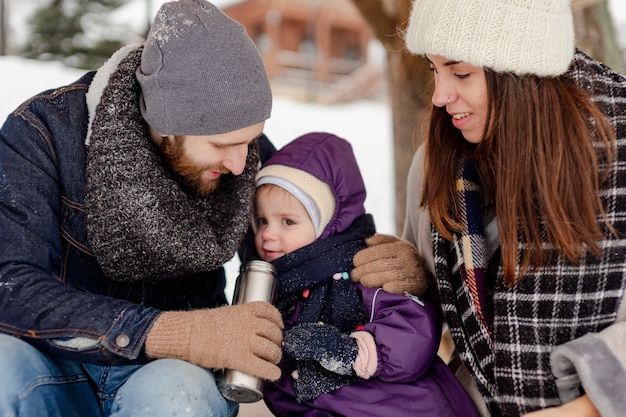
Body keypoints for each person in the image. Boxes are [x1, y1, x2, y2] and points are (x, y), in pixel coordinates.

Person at [0, 1, 285, 416]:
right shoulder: (42, 133)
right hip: (54, 362)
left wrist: (370, 255)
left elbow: (304, 230)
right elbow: (10, 283)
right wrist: (165, 331)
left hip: (168, 375)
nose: (242, 165)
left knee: (177, 394)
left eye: (250, 141)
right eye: (223, 146)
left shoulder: (238, 151)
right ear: (166, 123)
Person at [351, 0, 626, 416]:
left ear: (521, 72)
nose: (441, 96)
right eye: (434, 69)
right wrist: (420, 283)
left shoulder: (615, 154)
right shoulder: (436, 165)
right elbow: (430, 333)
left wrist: (587, 406)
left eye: (461, 72)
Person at [250, 131, 479, 416]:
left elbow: (416, 329)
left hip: (407, 408)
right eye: (261, 220)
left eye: (288, 221)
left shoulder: (359, 268)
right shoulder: (275, 288)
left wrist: (353, 352)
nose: (268, 234)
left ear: (327, 222)